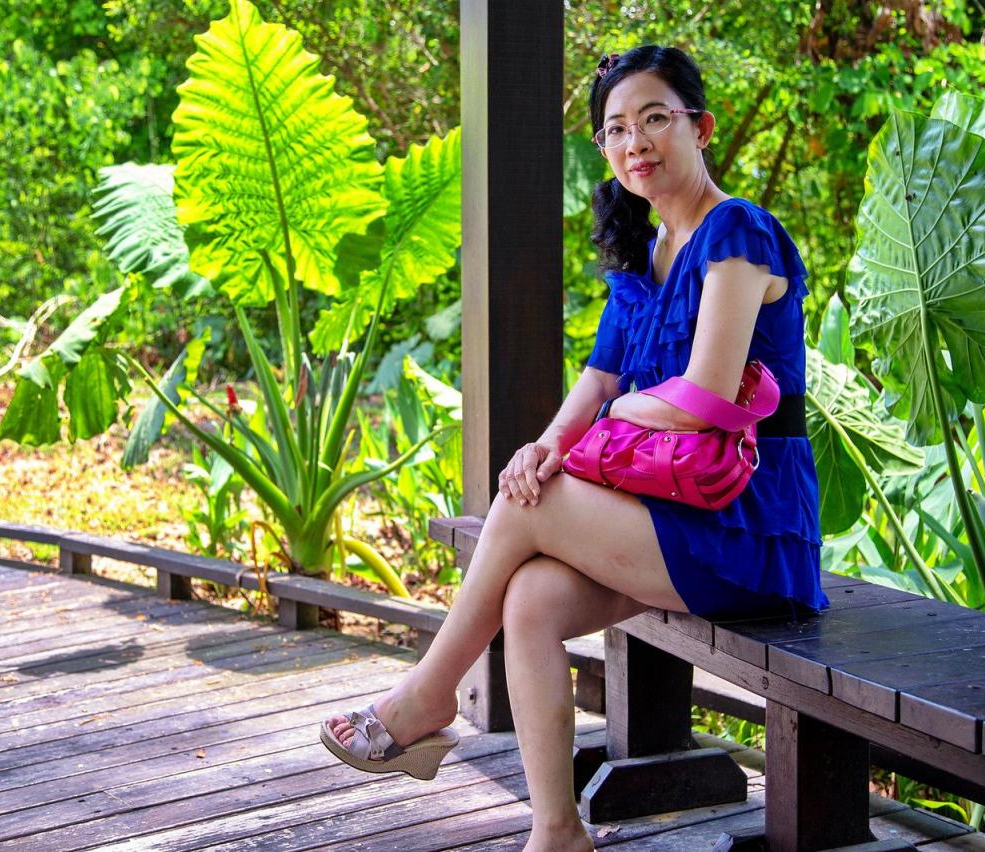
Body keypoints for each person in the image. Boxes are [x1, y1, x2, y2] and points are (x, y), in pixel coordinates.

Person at [321, 44, 828, 852]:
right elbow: (597, 380)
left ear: (700, 127)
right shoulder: (647, 254)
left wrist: (610, 420)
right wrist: (544, 445)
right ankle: (556, 832)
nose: (636, 142)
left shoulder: (737, 232)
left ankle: (427, 696)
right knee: (530, 600)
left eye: (655, 119)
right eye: (616, 129)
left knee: (533, 508)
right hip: (669, 516)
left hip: (747, 529)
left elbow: (704, 394)